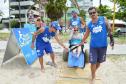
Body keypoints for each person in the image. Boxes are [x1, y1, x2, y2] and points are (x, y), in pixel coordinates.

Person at [80, 7, 114, 84]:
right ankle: (93, 77)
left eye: (93, 12)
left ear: (96, 12)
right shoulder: (89, 24)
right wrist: (82, 41)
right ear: (89, 15)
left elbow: (109, 29)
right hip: (93, 46)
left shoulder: (103, 19)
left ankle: (93, 72)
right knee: (93, 62)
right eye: (90, 13)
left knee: (99, 62)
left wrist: (112, 40)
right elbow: (86, 34)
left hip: (103, 46)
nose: (92, 14)